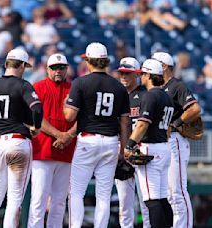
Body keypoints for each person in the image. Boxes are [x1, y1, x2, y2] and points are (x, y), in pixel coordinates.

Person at [64, 42, 130, 227]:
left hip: (88, 140)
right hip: (110, 142)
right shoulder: (118, 87)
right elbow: (124, 121)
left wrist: (65, 103)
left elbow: (69, 116)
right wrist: (123, 149)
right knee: (104, 195)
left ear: (88, 61)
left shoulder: (80, 82)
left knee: (76, 192)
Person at [0, 48, 43, 228]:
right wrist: (36, 127)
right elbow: (37, 108)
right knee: (14, 199)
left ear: (7, 64)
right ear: (22, 65)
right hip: (18, 141)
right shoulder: (23, 85)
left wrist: (1, 118)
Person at [152, 52, 202, 228]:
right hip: (161, 143)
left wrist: (175, 124)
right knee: (167, 193)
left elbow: (195, 109)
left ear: (164, 66)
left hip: (175, 141)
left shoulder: (176, 86)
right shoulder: (156, 88)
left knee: (177, 191)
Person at [28, 53, 77, 227]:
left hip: (66, 152)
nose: (58, 71)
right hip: (43, 150)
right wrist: (60, 135)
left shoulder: (74, 88)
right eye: (54, 68)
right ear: (47, 69)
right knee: (39, 198)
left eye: (61, 67)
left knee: (59, 201)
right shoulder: (38, 87)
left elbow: (82, 117)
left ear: (67, 69)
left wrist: (68, 136)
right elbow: (35, 118)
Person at [124, 59, 174, 228]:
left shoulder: (150, 95)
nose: (141, 77)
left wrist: (129, 145)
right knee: (161, 198)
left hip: (150, 149)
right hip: (164, 147)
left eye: (143, 74)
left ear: (149, 75)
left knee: (151, 200)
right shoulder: (166, 96)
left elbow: (142, 124)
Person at [115, 57, 150, 228]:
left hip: (141, 151)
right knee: (124, 202)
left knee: (146, 201)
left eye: (128, 73)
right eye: (121, 72)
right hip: (122, 152)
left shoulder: (145, 95)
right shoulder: (116, 95)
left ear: (137, 74)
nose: (123, 76)